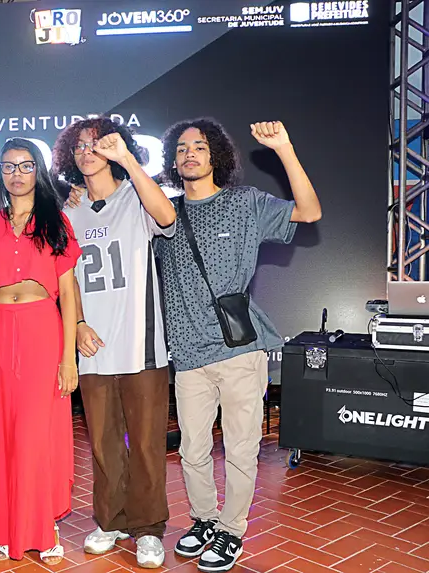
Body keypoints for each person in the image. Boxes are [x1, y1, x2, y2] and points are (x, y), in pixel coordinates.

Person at [156, 119, 321, 572]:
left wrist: (284, 149)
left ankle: (231, 530)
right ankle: (205, 520)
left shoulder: (245, 203)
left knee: (241, 449)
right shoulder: (163, 214)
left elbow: (309, 212)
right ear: (172, 161)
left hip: (239, 351)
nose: (190, 153)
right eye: (182, 148)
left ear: (216, 155)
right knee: (192, 451)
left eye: (199, 146)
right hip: (188, 355)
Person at [54, 117, 176, 568]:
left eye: (96, 144)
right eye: (79, 146)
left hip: (141, 343)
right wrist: (78, 323)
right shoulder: (69, 211)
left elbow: (167, 218)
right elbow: (65, 278)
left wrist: (127, 159)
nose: (87, 152)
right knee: (104, 445)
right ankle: (111, 520)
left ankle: (149, 528)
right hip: (93, 346)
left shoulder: (136, 195)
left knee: (146, 444)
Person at [0, 138, 81, 565]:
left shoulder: (57, 222)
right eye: (9, 166)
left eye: (26, 165)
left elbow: (67, 294)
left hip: (41, 332)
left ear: (39, 171)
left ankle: (41, 527)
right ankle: (5, 526)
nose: (17, 174)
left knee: (36, 434)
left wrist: (68, 358)